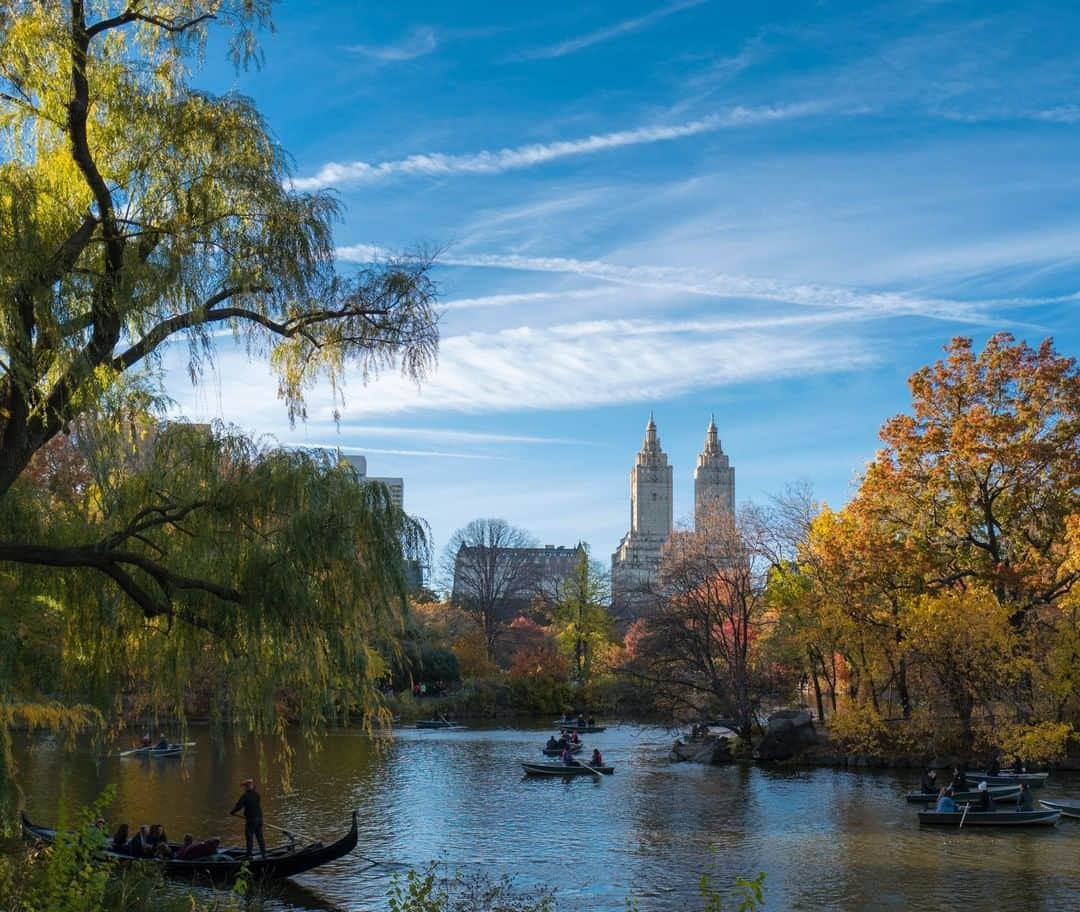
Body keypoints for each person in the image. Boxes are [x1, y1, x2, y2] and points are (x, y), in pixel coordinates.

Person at [230, 778, 266, 858]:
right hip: (260, 818)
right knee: (259, 836)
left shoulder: (245, 796)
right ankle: (264, 853)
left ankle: (249, 855)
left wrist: (232, 812)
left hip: (251, 819)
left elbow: (239, 806)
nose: (244, 788)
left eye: (245, 786)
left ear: (247, 787)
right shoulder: (257, 795)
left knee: (249, 836)